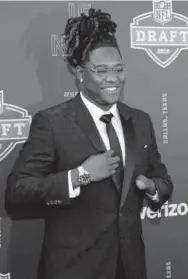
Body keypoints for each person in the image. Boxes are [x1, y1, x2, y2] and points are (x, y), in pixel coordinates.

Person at [5, 8, 173, 279]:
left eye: (118, 69)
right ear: (80, 73)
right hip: (74, 269)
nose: (113, 78)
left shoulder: (140, 121)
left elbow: (163, 180)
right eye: (101, 70)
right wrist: (80, 175)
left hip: (130, 268)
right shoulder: (52, 122)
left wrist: (152, 187)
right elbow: (17, 190)